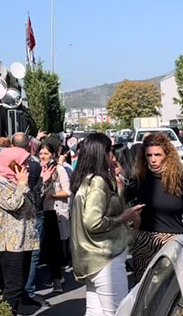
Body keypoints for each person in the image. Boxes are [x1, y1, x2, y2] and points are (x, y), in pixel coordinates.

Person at [71, 133, 143, 316]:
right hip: (105, 257)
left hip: (91, 259)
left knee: (95, 312)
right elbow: (93, 222)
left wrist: (119, 188)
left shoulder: (87, 179)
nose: (114, 155)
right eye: (110, 150)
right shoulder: (97, 182)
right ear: (100, 153)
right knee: (117, 312)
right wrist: (123, 217)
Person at [0, 144, 53, 316]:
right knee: (13, 286)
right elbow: (13, 204)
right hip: (10, 243)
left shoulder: (16, 181)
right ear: (11, 163)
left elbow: (34, 202)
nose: (26, 167)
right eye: (22, 163)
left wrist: (41, 181)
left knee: (20, 284)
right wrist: (23, 184)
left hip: (26, 240)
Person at [129, 132, 183, 281]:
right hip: (144, 245)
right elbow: (119, 206)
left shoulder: (182, 183)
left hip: (173, 245)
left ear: (167, 156)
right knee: (144, 291)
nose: (153, 160)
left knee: (174, 290)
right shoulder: (139, 182)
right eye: (149, 155)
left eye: (158, 155)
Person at [38, 142, 72, 293]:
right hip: (41, 211)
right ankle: (52, 275)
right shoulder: (37, 168)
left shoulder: (59, 169)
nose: (43, 156)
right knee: (45, 247)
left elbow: (68, 191)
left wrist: (52, 195)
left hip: (55, 211)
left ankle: (57, 278)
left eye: (46, 153)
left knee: (54, 246)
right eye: (41, 153)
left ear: (52, 155)